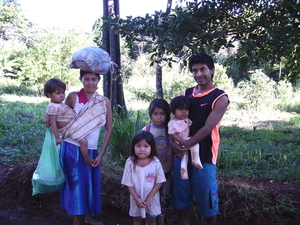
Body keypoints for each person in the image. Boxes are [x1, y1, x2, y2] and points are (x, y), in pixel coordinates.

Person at [45, 70, 113, 225]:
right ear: (81, 79)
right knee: (74, 184)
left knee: (91, 184)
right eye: (86, 79)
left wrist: (101, 154)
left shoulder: (104, 101)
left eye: (93, 79)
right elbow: (56, 109)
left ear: (98, 80)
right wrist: (47, 118)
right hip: (71, 147)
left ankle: (89, 217)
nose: (90, 83)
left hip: (92, 150)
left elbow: (109, 128)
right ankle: (76, 220)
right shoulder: (73, 97)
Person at [171, 53, 230, 225]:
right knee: (181, 193)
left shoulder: (220, 97)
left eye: (203, 69)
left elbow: (206, 128)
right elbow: (175, 121)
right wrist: (175, 144)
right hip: (181, 154)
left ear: (211, 70)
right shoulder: (187, 93)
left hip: (204, 156)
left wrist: (186, 145)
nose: (199, 74)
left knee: (206, 196)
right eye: (194, 70)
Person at [44, 78, 94, 166]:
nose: (62, 96)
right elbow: (53, 123)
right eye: (58, 93)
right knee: (84, 142)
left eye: (63, 92)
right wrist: (57, 137)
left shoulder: (58, 104)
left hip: (72, 126)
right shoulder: (52, 107)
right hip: (68, 129)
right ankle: (87, 159)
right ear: (49, 95)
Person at [121, 130, 166, 225]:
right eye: (138, 146)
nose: (142, 149)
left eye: (146, 146)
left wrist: (150, 197)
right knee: (137, 219)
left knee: (152, 220)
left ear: (152, 147)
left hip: (152, 199)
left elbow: (160, 181)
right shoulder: (130, 162)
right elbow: (128, 182)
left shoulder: (155, 162)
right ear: (133, 147)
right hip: (136, 198)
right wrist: (136, 198)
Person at [142, 99, 172, 224]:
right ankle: (150, 219)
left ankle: (162, 219)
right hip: (151, 171)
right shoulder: (147, 130)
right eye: (155, 114)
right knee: (152, 196)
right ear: (150, 114)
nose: (159, 117)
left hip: (167, 170)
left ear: (167, 114)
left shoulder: (172, 129)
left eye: (162, 114)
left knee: (165, 195)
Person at [168, 96, 202, 181]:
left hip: (184, 141)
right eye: (180, 110)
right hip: (182, 140)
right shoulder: (172, 122)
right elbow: (172, 134)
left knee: (184, 156)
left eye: (186, 110)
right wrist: (181, 140)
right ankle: (195, 159)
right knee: (195, 144)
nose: (184, 112)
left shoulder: (185, 119)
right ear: (174, 110)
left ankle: (184, 170)